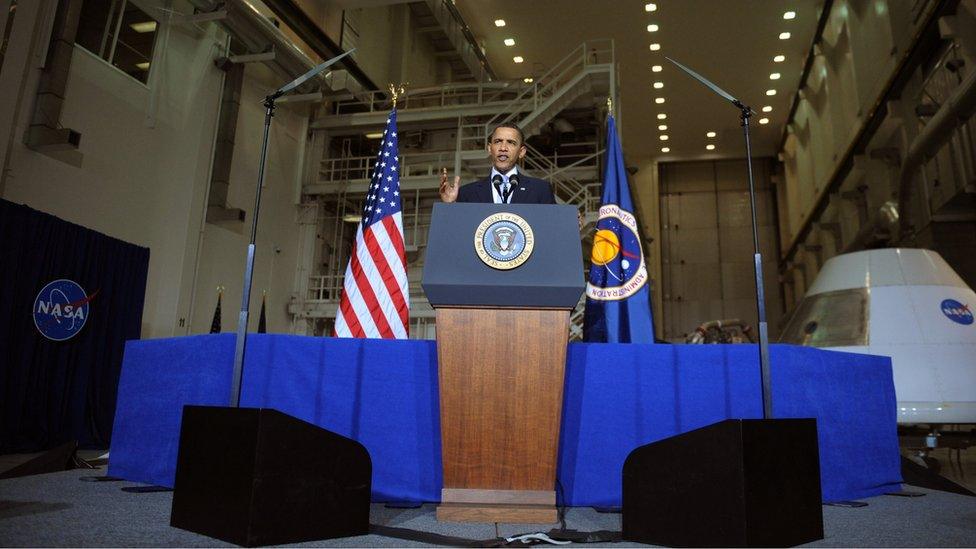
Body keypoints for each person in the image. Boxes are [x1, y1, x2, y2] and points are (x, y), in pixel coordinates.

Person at [439, 124, 556, 204]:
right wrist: (449, 205)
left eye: (511, 142)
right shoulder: (466, 193)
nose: (503, 148)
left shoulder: (541, 190)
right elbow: (453, 235)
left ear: (521, 152)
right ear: (490, 148)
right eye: (498, 141)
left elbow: (554, 231)